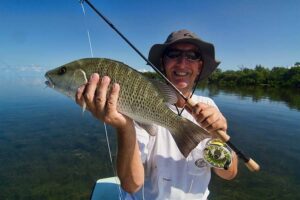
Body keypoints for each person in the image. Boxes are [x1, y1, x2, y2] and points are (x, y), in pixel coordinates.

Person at [75, 29, 238, 199]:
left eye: (192, 55)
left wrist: (218, 138)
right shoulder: (136, 104)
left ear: (200, 66)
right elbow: (131, 185)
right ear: (162, 63)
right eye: (173, 54)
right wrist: (124, 126)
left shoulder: (210, 107)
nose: (182, 63)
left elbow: (229, 174)